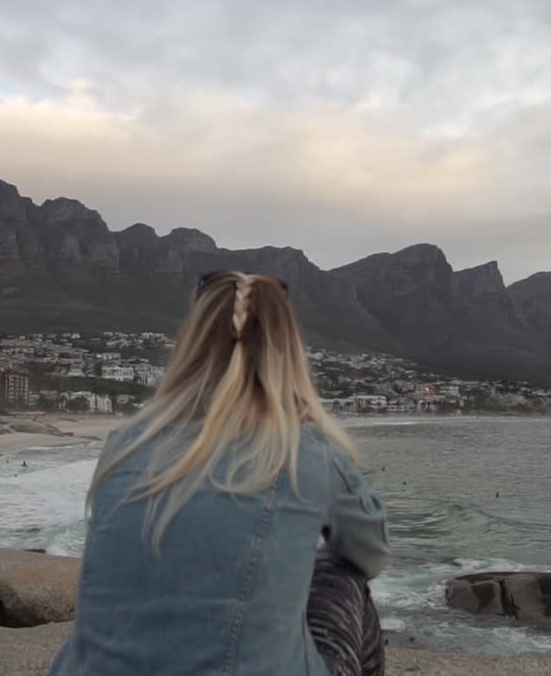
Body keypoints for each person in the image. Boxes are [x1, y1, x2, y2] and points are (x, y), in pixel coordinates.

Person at [50, 271, 390, 676]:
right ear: (287, 353)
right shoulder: (309, 452)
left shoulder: (125, 442)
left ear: (190, 346)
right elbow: (370, 554)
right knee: (337, 572)